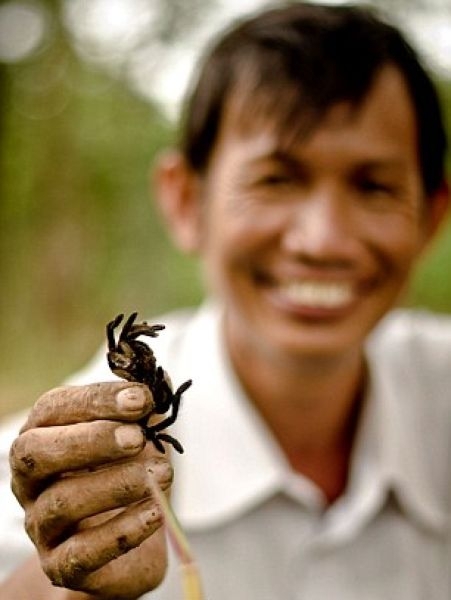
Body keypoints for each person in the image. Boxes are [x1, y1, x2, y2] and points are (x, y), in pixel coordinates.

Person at [1, 2, 450, 598]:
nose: (322, 241)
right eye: (276, 179)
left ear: (431, 217)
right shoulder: (55, 474)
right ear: (187, 201)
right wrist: (68, 588)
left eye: (374, 186)